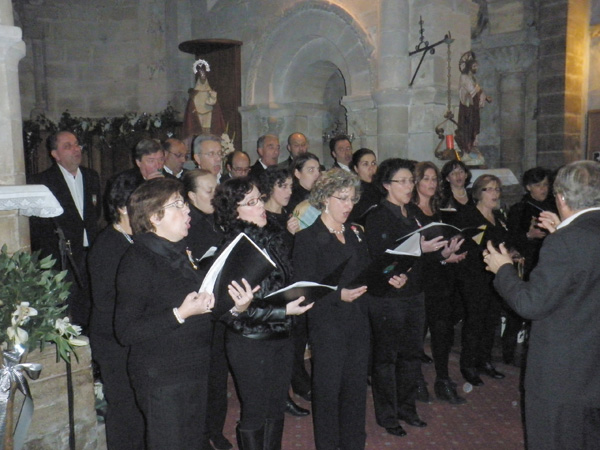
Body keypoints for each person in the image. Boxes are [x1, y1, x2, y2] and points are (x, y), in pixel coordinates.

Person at [484, 160, 600, 450]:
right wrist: (561, 230)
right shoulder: (574, 235)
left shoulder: (564, 242)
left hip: (564, 375)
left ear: (559, 198)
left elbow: (530, 304)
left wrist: (503, 269)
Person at [211, 177, 313, 450]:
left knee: (276, 407)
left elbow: (283, 282)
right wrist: (283, 309)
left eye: (260, 198)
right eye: (252, 202)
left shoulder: (272, 235)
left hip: (280, 334)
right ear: (234, 212)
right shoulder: (234, 247)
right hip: (250, 343)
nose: (261, 206)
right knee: (255, 411)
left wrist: (304, 292)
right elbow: (229, 311)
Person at [114, 178, 215, 449]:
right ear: (154, 216)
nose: (188, 211)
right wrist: (179, 314)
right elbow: (125, 331)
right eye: (178, 205)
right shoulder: (138, 260)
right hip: (161, 376)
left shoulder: (180, 252)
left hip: (193, 367)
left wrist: (237, 304)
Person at [365, 159, 460, 437]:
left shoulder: (414, 212)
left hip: (415, 293)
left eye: (410, 181)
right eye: (403, 181)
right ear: (386, 186)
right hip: (389, 296)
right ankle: (387, 415)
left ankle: (407, 408)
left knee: (411, 356)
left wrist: (441, 253)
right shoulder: (378, 215)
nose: (409, 186)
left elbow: (422, 253)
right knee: (386, 359)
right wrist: (419, 248)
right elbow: (379, 257)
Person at [293, 169, 374, 450]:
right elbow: (304, 288)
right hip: (327, 325)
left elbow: (367, 275)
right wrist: (339, 294)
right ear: (325, 198)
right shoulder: (307, 238)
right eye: (342, 199)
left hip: (358, 323)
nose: (349, 205)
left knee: (355, 392)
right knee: (328, 394)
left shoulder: (356, 234)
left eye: (352, 199)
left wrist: (389, 278)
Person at [88, 170, 144, 450]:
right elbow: (107, 302)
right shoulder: (108, 246)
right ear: (123, 208)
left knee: (140, 406)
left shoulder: (137, 239)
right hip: (114, 342)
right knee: (125, 409)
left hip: (133, 337)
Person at [29, 130, 102, 331]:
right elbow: (39, 228)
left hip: (90, 255)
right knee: (66, 312)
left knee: (92, 308)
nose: (76, 150)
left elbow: (96, 214)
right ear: (55, 153)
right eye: (67, 146)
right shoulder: (43, 182)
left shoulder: (91, 176)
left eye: (77, 144)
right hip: (62, 259)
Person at [181, 168, 230, 450]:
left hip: (219, 307)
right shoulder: (188, 225)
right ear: (191, 196)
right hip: (199, 312)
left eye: (217, 188)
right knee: (203, 377)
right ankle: (201, 435)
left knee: (218, 374)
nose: (216, 194)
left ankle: (216, 428)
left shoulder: (218, 219)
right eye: (209, 190)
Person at [411, 161, 467, 405]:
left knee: (443, 332)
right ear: (415, 182)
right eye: (426, 179)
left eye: (434, 179)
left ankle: (443, 380)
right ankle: (415, 382)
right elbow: (411, 252)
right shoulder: (409, 212)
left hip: (441, 279)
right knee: (417, 335)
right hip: (419, 281)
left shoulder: (438, 210)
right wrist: (441, 256)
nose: (432, 183)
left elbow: (440, 249)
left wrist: (450, 253)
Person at [453, 174, 517, 386]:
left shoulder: (499, 217)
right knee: (475, 320)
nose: (494, 194)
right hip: (474, 275)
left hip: (495, 275)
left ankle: (485, 360)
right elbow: (464, 246)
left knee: (491, 320)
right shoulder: (468, 215)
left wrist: (512, 252)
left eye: (497, 189)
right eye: (489, 189)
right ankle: (468, 364)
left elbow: (505, 242)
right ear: (478, 193)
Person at [503, 167, 557, 366]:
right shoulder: (520, 208)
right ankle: (508, 354)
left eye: (545, 184)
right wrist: (528, 236)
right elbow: (510, 238)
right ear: (528, 187)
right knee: (517, 311)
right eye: (538, 185)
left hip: (548, 262)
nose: (543, 189)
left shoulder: (555, 206)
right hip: (527, 261)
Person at [455, 51, 491, 162]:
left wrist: (483, 95)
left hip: (473, 108)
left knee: (474, 127)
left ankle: (471, 149)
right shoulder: (464, 77)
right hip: (466, 108)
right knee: (467, 128)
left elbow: (477, 89)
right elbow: (471, 89)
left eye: (476, 66)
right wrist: (481, 92)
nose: (476, 68)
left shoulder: (474, 79)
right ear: (469, 66)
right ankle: (466, 150)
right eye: (474, 66)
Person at [182, 58, 226, 138]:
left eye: (204, 75)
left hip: (208, 113)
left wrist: (212, 96)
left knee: (208, 131)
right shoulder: (194, 93)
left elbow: (211, 102)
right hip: (198, 114)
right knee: (199, 131)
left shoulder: (209, 91)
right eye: (201, 75)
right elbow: (191, 105)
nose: (202, 77)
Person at [348, 148, 380, 225]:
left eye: (373, 163)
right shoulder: (353, 191)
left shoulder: (380, 187)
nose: (371, 168)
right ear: (356, 168)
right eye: (365, 164)